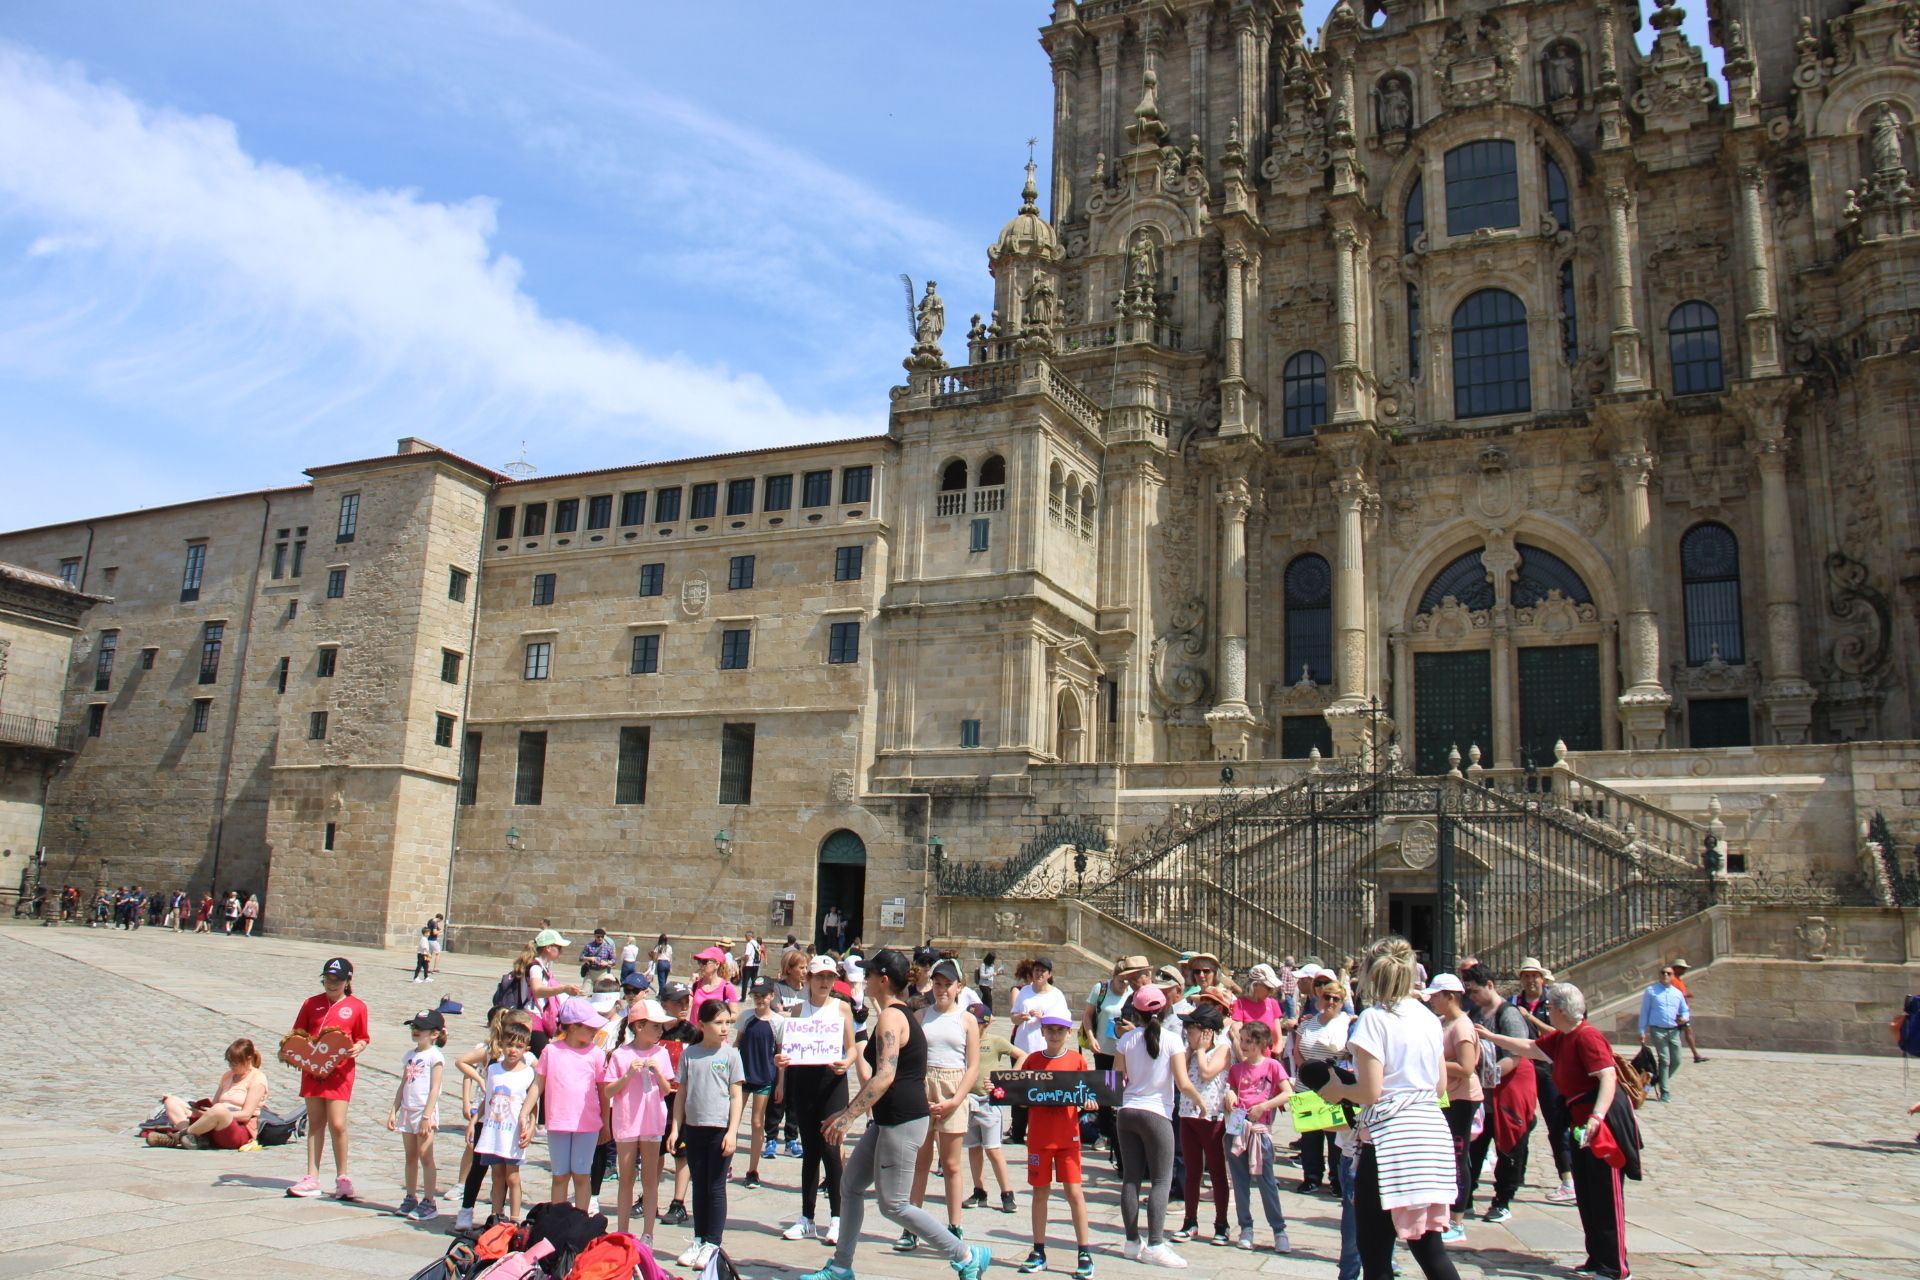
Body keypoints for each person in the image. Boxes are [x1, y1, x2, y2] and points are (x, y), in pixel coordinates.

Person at [799, 947, 992, 1280]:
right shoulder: (898, 1012)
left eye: (870, 973)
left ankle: (965, 1254)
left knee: (894, 1204)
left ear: (883, 979)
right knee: (851, 1185)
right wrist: (849, 1110)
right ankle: (841, 1266)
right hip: (888, 1119)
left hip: (903, 1119)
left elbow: (885, 1075)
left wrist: (847, 1117)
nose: (865, 978)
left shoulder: (892, 1016)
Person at [1318, 937, 1461, 1280]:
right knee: (1430, 1249)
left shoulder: (1374, 1019)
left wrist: (1337, 1089)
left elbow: (1369, 1090)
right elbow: (1440, 1085)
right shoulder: (1428, 1018)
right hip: (1431, 1137)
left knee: (1376, 1253)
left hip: (1391, 1143)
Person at [1478, 983, 1638, 1280]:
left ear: (1562, 1010)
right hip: (1580, 1123)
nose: (1547, 1010)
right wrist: (1490, 1036)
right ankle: (1597, 1258)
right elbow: (1531, 1048)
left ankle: (1615, 1267)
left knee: (1605, 1194)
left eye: (1550, 1006)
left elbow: (1607, 1076)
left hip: (1601, 1125)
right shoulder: (1564, 1036)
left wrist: (1597, 1117)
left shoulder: (1587, 1036)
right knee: (1588, 1194)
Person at [900, 959, 981, 1253]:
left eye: (948, 984)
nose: (942, 990)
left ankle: (954, 1224)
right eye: (938, 984)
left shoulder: (967, 1020)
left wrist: (956, 1099)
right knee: (920, 1162)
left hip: (953, 1086)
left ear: (959, 987)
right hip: (924, 1087)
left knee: (950, 1164)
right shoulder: (921, 1016)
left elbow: (972, 1066)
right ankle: (912, 1226)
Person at [778, 955, 858, 1244]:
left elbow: (852, 1049)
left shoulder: (842, 1009)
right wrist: (782, 1060)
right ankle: (807, 1217)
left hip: (832, 1083)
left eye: (829, 977)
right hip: (804, 1083)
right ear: (808, 979)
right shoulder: (798, 1010)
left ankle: (837, 1218)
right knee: (810, 1151)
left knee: (832, 1150)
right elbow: (790, 1049)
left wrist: (846, 1063)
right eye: (818, 976)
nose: (824, 982)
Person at [1015, 1014, 1095, 1279]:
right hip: (1039, 1137)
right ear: (1043, 1031)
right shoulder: (1033, 1060)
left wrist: (1090, 1103)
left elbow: (1088, 1093)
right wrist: (1001, 1090)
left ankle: (1084, 1251)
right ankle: (1038, 1249)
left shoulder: (1077, 1060)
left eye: (1060, 1030)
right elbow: (1022, 1096)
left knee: (1074, 1192)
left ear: (1068, 1033)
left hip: (1067, 1137)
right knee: (1040, 1193)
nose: (1055, 1035)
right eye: (1050, 1030)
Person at [670, 997, 746, 1270]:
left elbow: (736, 1096)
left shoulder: (731, 1055)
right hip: (695, 1129)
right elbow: (682, 1094)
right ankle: (699, 1238)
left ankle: (713, 1243)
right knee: (699, 1184)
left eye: (727, 1023)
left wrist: (733, 1132)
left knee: (715, 1186)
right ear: (702, 1024)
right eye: (718, 1023)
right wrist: (676, 1128)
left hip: (719, 1130)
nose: (724, 1028)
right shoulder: (691, 1054)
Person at [286, 957, 371, 1200]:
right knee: (315, 1122)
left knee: (337, 1123)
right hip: (313, 1068)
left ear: (347, 981)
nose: (331, 984)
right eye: (328, 979)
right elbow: (297, 1033)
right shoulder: (311, 1003)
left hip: (340, 1071)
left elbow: (363, 1036)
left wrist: (359, 1046)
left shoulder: (357, 1007)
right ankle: (311, 1176)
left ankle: (343, 1176)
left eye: (337, 980)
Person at [1114, 983, 1186, 1267]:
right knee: (1160, 1179)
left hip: (1128, 1110)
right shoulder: (1172, 1040)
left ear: (1137, 1012)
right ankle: (1155, 1242)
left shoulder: (1127, 1040)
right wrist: (1199, 1100)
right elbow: (1181, 1081)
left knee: (1131, 1178)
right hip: (1156, 1113)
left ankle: (1132, 1241)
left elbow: (1116, 1079)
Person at [1460, 964, 1536, 1223]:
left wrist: (1486, 1077)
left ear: (1490, 985)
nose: (1472, 997)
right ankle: (1465, 1199)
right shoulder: (1475, 1013)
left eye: (1475, 991)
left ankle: (1502, 1200)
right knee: (1473, 1150)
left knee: (1508, 1151)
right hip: (1483, 1098)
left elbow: (1516, 1055)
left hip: (1507, 1096)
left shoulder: (1508, 1014)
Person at [525, 996, 611, 1211]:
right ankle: (558, 1220)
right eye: (590, 1026)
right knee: (560, 1175)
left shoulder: (596, 1054)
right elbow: (538, 1084)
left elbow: (603, 1091)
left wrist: (606, 1123)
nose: (594, 1031)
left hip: (588, 1124)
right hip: (558, 1122)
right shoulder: (551, 1051)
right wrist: (525, 1112)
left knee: (582, 1175)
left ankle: (579, 1221)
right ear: (573, 1026)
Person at [603, 998, 675, 1240]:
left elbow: (667, 1089)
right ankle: (622, 1231)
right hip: (627, 1121)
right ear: (638, 1026)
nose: (659, 1031)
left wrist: (656, 1072)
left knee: (650, 1178)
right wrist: (628, 1075)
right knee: (626, 1177)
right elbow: (609, 1091)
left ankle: (648, 1233)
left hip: (652, 1120)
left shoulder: (661, 1054)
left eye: (660, 1026)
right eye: (655, 1026)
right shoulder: (621, 1054)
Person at [1510, 958, 1576, 1204]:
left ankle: (1567, 1178)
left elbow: (1561, 1034)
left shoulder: (1553, 1003)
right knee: (1520, 1121)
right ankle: (1517, 1172)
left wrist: (1531, 1019)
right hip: (1524, 1067)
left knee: (1557, 1125)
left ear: (1542, 978)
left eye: (1533, 975)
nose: (1530, 980)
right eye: (1525, 976)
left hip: (1550, 1069)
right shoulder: (1514, 1003)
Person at [1224, 1019, 1293, 1252]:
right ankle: (1246, 1227)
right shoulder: (1236, 1069)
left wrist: (1264, 1106)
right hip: (1237, 1127)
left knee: (1266, 1182)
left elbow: (1287, 1093)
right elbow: (1232, 1088)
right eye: (1242, 1040)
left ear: (1262, 1043)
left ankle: (1279, 1230)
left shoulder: (1272, 1066)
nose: (1243, 1045)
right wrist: (1231, 1096)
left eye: (1248, 1041)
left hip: (1260, 1130)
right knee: (1240, 1181)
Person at [1423, 974, 1481, 1240]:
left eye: (1436, 995)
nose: (1432, 1000)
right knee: (1446, 1157)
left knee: (1458, 1158)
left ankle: (1458, 1220)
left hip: (1462, 1099)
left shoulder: (1462, 1026)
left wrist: (1433, 1063)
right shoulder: (1443, 1022)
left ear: (1451, 996)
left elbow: (1467, 1068)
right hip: (1447, 1097)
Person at [1172, 1001, 1232, 1246]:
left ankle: (1221, 1223)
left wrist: (1200, 1050)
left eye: (1192, 1028)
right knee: (1192, 1169)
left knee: (1216, 1170)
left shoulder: (1222, 1048)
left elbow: (1207, 1073)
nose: (1188, 1032)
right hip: (1188, 1113)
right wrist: (1189, 1051)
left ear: (1207, 1031)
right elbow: (1180, 1075)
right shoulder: (1189, 1049)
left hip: (1211, 1116)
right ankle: (1190, 1220)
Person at [470, 1013, 537, 1225]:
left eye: (518, 1046)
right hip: (493, 1130)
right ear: (502, 1045)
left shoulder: (527, 1073)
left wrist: (532, 1128)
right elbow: (487, 1099)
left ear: (526, 1048)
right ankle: (496, 1216)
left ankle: (515, 1218)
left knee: (512, 1176)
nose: (513, 1050)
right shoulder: (493, 1069)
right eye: (509, 1045)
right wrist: (473, 1122)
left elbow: (533, 1106)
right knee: (497, 1175)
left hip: (513, 1133)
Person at [1293, 976, 1353, 1195]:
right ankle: (1311, 1176)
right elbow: (1297, 1050)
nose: (1330, 1002)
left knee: (1334, 1134)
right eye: (1327, 996)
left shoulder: (1345, 1024)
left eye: (1335, 999)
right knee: (1309, 1135)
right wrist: (1307, 1072)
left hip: (1332, 1085)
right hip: (1305, 1085)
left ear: (1341, 1001)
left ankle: (1336, 1177)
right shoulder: (1308, 1022)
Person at [155, 1038, 269, 1150]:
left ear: (248, 1059)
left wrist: (217, 1113)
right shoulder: (227, 1076)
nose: (231, 1066)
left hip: (238, 1129)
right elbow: (214, 1104)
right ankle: (193, 1137)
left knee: (219, 1110)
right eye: (229, 1063)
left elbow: (246, 1115)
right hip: (214, 1120)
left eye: (235, 1063)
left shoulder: (257, 1079)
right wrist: (203, 1111)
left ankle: (178, 1137)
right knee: (171, 1101)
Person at [388, 1009, 447, 1222]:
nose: (415, 1031)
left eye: (420, 1029)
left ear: (434, 1033)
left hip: (424, 1111)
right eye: (414, 1027)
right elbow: (404, 1083)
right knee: (410, 1155)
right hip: (407, 1109)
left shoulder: (435, 1056)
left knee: (425, 1155)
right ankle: (410, 1196)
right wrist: (394, 1109)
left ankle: (429, 1200)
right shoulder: (410, 1055)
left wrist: (427, 1115)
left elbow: (435, 1088)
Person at [964, 1002, 1021, 1215]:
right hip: (968, 1100)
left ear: (985, 1024)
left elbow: (1021, 1054)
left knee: (993, 1149)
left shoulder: (994, 1041)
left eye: (976, 1022)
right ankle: (979, 1190)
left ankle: (1007, 1192)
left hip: (988, 1102)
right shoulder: (962, 1041)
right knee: (973, 1148)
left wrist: (1007, 1081)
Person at [1009, 956, 1071, 1146]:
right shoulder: (1024, 992)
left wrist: (1043, 1017)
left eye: (1043, 971)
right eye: (1036, 970)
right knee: (1019, 1089)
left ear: (1049, 975)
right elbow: (1013, 1017)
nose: (1038, 974)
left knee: (1042, 1091)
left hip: (1044, 1047)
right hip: (1022, 1046)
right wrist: (1020, 1017)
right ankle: (1017, 1131)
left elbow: (1063, 1021)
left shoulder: (1056, 995)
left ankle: (1040, 1130)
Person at [737, 979, 782, 1189]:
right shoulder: (746, 1017)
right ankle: (726, 1163)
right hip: (743, 1075)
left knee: (757, 1123)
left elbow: (780, 1054)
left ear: (771, 996)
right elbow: (737, 1043)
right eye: (756, 995)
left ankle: (753, 1169)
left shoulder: (778, 1022)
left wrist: (780, 1083)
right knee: (733, 1120)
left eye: (763, 995)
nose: (759, 999)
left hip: (765, 1075)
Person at [518, 929, 583, 1059]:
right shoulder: (535, 967)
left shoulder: (543, 967)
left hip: (539, 1018)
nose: (561, 951)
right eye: (559, 947)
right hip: (532, 1018)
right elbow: (537, 990)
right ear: (548, 948)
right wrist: (563, 988)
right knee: (545, 1058)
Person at [1639, 964, 1691, 1102]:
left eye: (1669, 973)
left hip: (1674, 1030)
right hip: (1658, 1030)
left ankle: (1658, 1081)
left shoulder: (1677, 993)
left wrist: (1684, 1018)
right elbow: (1645, 1011)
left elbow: (1685, 1010)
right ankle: (1665, 1092)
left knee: (1677, 1060)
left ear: (1673, 976)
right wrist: (1642, 1030)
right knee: (1664, 1059)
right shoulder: (1651, 991)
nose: (1666, 976)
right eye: (1663, 973)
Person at [1668, 959, 1708, 1064]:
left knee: (1686, 1031)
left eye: (1684, 968)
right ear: (1675, 968)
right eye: (1682, 968)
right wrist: (1686, 995)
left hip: (1681, 1011)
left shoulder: (1678, 980)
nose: (1684, 970)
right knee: (1676, 1033)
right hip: (1676, 1012)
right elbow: (1673, 994)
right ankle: (1693, 1055)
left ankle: (1695, 1055)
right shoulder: (1672, 980)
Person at [1232, 965, 1284, 1043]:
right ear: (1255, 985)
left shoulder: (1272, 1003)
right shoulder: (1239, 1005)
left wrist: (1277, 1051)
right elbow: (1237, 1036)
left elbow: (1278, 1039)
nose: (1272, 992)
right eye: (1269, 988)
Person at [690, 946, 741, 1016]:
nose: (701, 965)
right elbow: (687, 1007)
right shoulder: (696, 985)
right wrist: (690, 984)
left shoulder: (727, 988)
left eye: (705, 962)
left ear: (717, 964)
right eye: (699, 961)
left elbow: (734, 1014)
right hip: (694, 1027)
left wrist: (714, 1020)